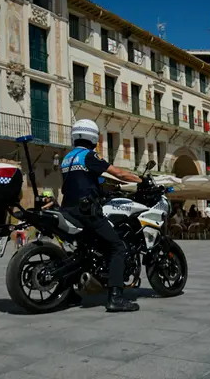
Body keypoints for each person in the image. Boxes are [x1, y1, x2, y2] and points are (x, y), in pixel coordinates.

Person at [60, 119, 142, 313]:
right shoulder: (89, 156)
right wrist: (141, 179)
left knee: (84, 250)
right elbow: (118, 173)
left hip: (67, 209)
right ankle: (116, 298)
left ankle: (72, 292)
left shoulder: (67, 158)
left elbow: (83, 181)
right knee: (117, 246)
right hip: (87, 211)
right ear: (93, 137)